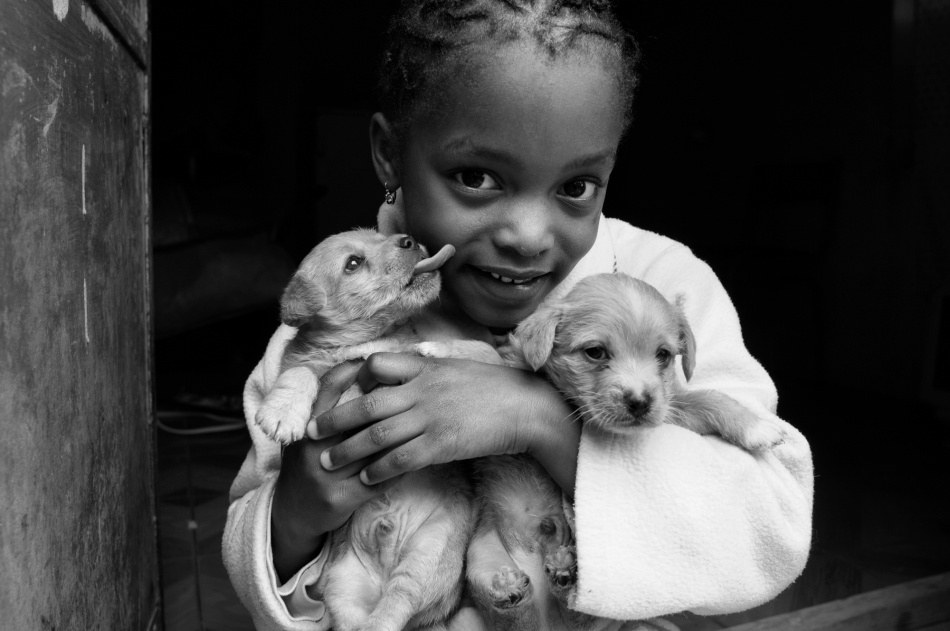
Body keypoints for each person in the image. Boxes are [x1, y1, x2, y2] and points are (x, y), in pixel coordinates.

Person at [223, 2, 814, 630]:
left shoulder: (666, 284)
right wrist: (292, 516)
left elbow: (771, 523)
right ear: (390, 155)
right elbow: (252, 536)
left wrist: (537, 419)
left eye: (576, 186)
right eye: (475, 176)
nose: (528, 237)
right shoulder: (340, 316)